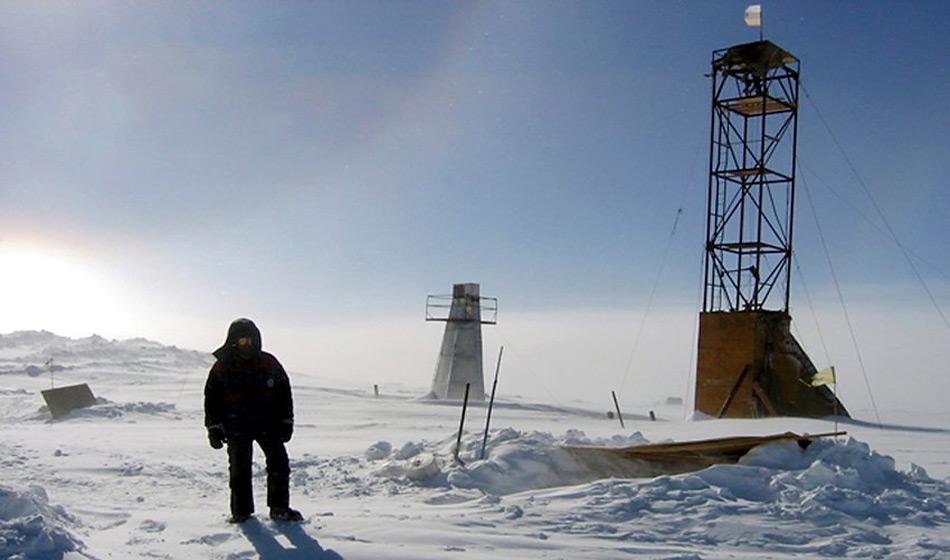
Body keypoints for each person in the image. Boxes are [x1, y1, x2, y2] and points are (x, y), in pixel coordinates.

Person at [204, 318, 303, 523]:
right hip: (235, 425)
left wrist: (287, 421)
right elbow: (211, 399)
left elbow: (284, 393)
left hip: (268, 423)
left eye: (250, 340)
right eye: (242, 341)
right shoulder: (222, 366)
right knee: (239, 470)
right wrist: (213, 427)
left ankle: (279, 508)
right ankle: (241, 512)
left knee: (280, 465)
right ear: (232, 341)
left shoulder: (269, 362)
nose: (247, 344)